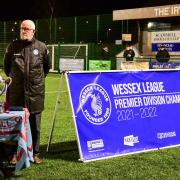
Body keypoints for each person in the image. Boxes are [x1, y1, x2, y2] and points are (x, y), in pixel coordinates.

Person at [3, 20, 51, 164]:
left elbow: (46, 68)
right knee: (14, 126)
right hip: (16, 94)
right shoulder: (13, 46)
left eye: (27, 28)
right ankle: (13, 155)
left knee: (35, 127)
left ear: (33, 31)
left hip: (35, 94)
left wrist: (34, 82)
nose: (23, 31)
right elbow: (7, 67)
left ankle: (35, 154)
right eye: (22, 28)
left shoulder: (42, 47)